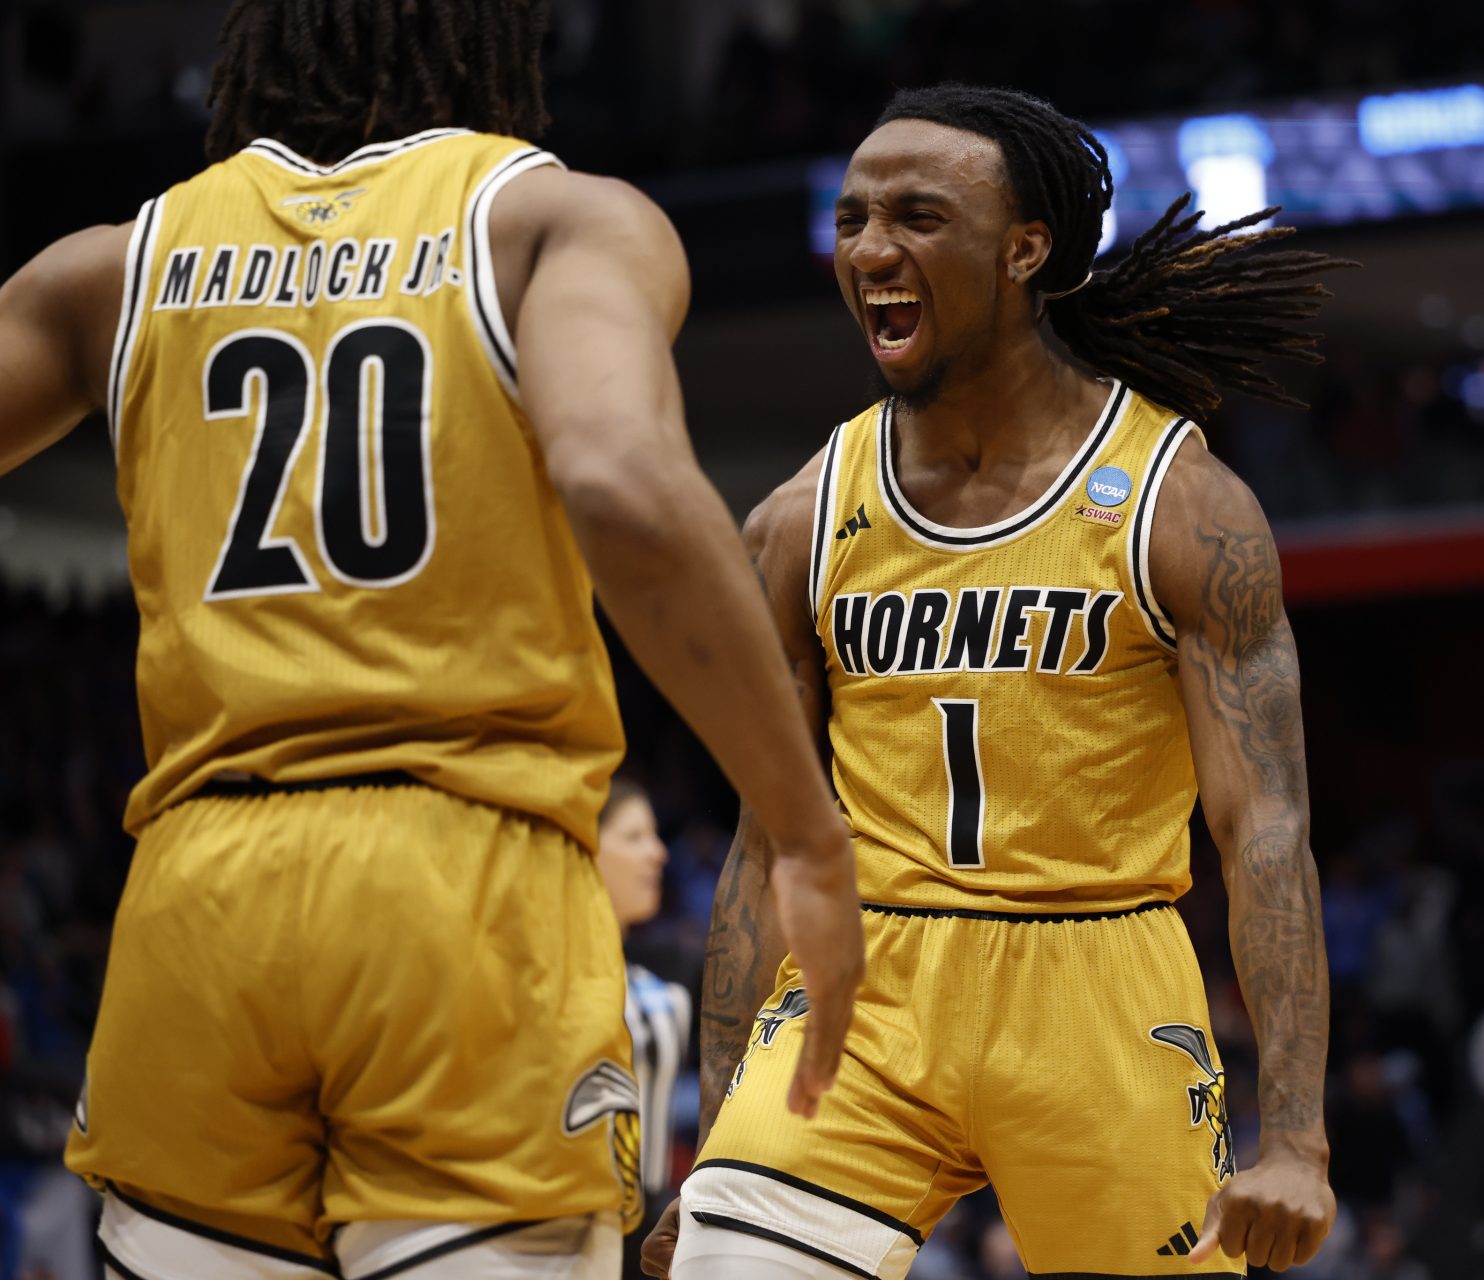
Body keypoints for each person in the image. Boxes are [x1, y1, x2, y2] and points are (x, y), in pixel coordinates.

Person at [0, 1, 864, 1275]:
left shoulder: (110, 268)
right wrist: (806, 829)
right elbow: (621, 479)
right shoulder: (551, 220)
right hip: (464, 884)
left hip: (194, 902)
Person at [646, 85, 1352, 1278]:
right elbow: (766, 846)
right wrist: (713, 1155)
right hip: (867, 989)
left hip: (1101, 986)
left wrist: (1295, 1135)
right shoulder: (802, 517)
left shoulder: (1183, 505)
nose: (873, 248)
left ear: (1026, 248)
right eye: (854, 217)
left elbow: (1265, 828)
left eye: (919, 216)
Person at [597, 780, 693, 1246]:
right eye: (634, 837)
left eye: (655, 836)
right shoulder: (536, 982)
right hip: (557, 1230)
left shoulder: (663, 987)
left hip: (650, 1227)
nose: (658, 853)